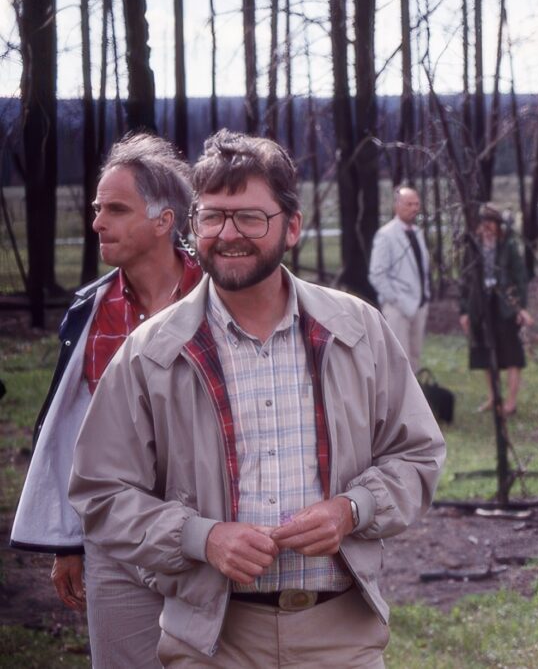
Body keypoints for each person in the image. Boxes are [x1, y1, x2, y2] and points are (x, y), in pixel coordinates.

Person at [69, 130, 445, 666]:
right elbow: (101, 493)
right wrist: (203, 537)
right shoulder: (152, 352)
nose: (228, 234)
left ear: (291, 226)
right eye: (213, 217)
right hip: (212, 638)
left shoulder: (356, 330)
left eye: (250, 217)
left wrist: (352, 509)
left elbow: (418, 455)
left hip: (340, 636)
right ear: (192, 224)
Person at [11, 133, 200, 667]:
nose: (97, 223)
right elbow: (76, 435)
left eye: (116, 209)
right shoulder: (90, 314)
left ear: (164, 221)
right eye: (98, 209)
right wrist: (69, 539)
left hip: (210, 534)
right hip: (114, 536)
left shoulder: (220, 301)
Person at [458, 204, 533, 415]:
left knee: (511, 355)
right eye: (483, 223)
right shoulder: (473, 248)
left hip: (505, 306)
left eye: (491, 223)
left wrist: (521, 308)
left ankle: (511, 401)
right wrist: (464, 311)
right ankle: (493, 397)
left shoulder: (508, 247)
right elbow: (465, 281)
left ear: (498, 225)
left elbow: (520, 279)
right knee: (484, 353)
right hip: (481, 306)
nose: (487, 228)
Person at [369, 186, 431, 371]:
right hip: (398, 308)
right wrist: (397, 300)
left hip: (419, 305)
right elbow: (377, 274)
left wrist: (424, 298)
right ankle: (396, 400)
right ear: (397, 206)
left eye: (416, 204)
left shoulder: (417, 233)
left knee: (415, 358)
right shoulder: (386, 235)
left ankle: (414, 399)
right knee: (398, 362)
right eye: (409, 204)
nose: (414, 208)